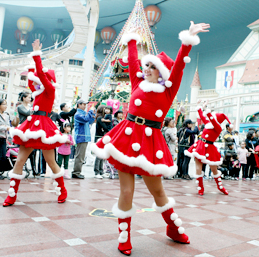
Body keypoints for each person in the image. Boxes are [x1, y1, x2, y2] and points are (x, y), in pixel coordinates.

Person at [91, 22, 209, 255]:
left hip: (150, 144)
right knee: (126, 192)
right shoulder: (138, 82)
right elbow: (134, 59)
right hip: (125, 139)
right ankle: (124, 237)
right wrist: (132, 40)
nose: (146, 69)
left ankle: (173, 228)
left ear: (161, 72)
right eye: (146, 66)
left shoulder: (168, 90)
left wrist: (187, 41)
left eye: (152, 67)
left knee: (158, 192)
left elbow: (178, 70)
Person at [3, 39, 69, 207]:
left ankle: (62, 190)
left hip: (44, 127)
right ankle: (11, 195)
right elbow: (33, 79)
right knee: (20, 161)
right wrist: (32, 63)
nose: (36, 82)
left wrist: (37, 55)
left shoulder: (50, 89)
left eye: (42, 78)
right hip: (32, 126)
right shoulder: (38, 91)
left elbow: (39, 74)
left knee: (51, 162)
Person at [185, 100, 229, 195]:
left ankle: (220, 186)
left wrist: (206, 109)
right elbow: (202, 116)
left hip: (210, 148)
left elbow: (211, 119)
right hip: (200, 146)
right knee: (198, 168)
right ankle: (200, 188)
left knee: (214, 169)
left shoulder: (218, 127)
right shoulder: (209, 124)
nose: (212, 117)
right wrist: (199, 107)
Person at [72, 99, 95, 179]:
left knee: (81, 155)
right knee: (80, 156)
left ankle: (77, 172)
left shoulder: (84, 113)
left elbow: (89, 121)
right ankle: (76, 172)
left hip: (84, 137)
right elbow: (85, 119)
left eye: (85, 104)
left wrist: (92, 115)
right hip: (81, 137)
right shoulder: (78, 114)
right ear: (79, 105)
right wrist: (90, 112)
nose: (85, 106)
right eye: (83, 104)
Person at [94, 105, 109, 178]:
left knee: (102, 155)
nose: (106, 111)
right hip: (99, 137)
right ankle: (97, 172)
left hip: (102, 137)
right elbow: (105, 127)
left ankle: (101, 171)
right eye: (105, 109)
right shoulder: (100, 118)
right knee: (99, 155)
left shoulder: (102, 118)